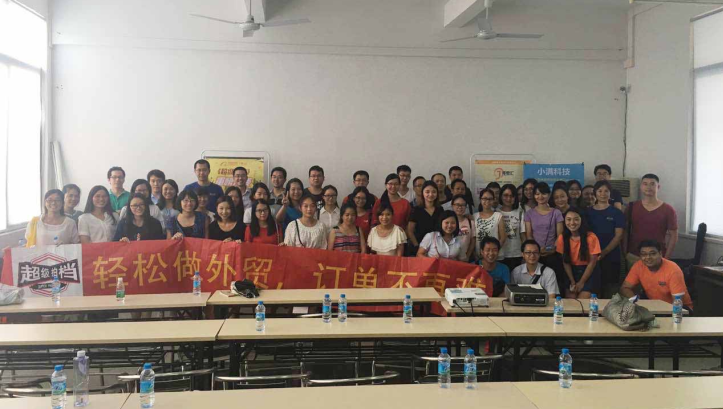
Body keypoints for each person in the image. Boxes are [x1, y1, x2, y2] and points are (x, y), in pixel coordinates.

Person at [620, 240, 693, 310]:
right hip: (655, 306)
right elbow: (625, 288)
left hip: (680, 309)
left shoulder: (673, 269)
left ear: (660, 254)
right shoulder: (638, 266)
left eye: (653, 253)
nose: (648, 257)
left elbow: (677, 302)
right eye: (644, 254)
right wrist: (637, 302)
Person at [624, 174, 678, 264]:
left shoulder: (668, 209)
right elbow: (625, 231)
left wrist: (666, 258)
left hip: (657, 257)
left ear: (658, 187)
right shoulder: (631, 207)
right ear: (641, 187)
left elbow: (674, 236)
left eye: (652, 184)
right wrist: (625, 252)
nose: (648, 187)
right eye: (645, 184)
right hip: (634, 255)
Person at [586, 180, 625, 297]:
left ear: (610, 193)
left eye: (606, 191)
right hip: (591, 256)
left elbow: (618, 236)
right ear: (595, 193)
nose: (603, 194)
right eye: (600, 191)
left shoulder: (617, 213)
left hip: (611, 256)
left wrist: (604, 252)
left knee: (610, 290)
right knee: (593, 290)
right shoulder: (587, 212)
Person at [556, 207, 602, 299]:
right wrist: (572, 281)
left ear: (582, 220)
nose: (572, 223)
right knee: (571, 302)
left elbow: (592, 263)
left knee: (582, 301)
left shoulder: (591, 237)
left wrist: (581, 282)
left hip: (588, 272)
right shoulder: (562, 238)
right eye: (569, 219)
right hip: (571, 272)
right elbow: (565, 262)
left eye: (576, 219)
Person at [406, 180, 442, 255]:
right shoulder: (416, 210)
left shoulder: (440, 209)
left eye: (434, 192)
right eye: (427, 192)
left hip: (436, 248)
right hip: (419, 247)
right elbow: (410, 230)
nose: (431, 194)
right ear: (423, 193)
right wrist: (416, 245)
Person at [498, 184, 527, 271]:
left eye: (512, 196)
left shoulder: (520, 212)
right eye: (505, 195)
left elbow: (523, 235)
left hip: (517, 254)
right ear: (501, 196)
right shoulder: (496, 212)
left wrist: (525, 253)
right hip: (500, 255)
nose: (508, 198)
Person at [473, 188, 506, 258]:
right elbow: (473, 238)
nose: (487, 201)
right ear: (480, 200)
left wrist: (493, 252)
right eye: (484, 198)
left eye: (490, 199)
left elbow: (503, 238)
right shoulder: (474, 216)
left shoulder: (498, 216)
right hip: (479, 256)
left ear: (493, 200)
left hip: (495, 256)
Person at [450, 194, 476, 262]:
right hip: (450, 259)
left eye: (463, 205)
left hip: (465, 258)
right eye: (457, 204)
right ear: (452, 206)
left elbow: (473, 241)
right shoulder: (448, 222)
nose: (460, 207)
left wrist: (467, 256)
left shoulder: (470, 222)